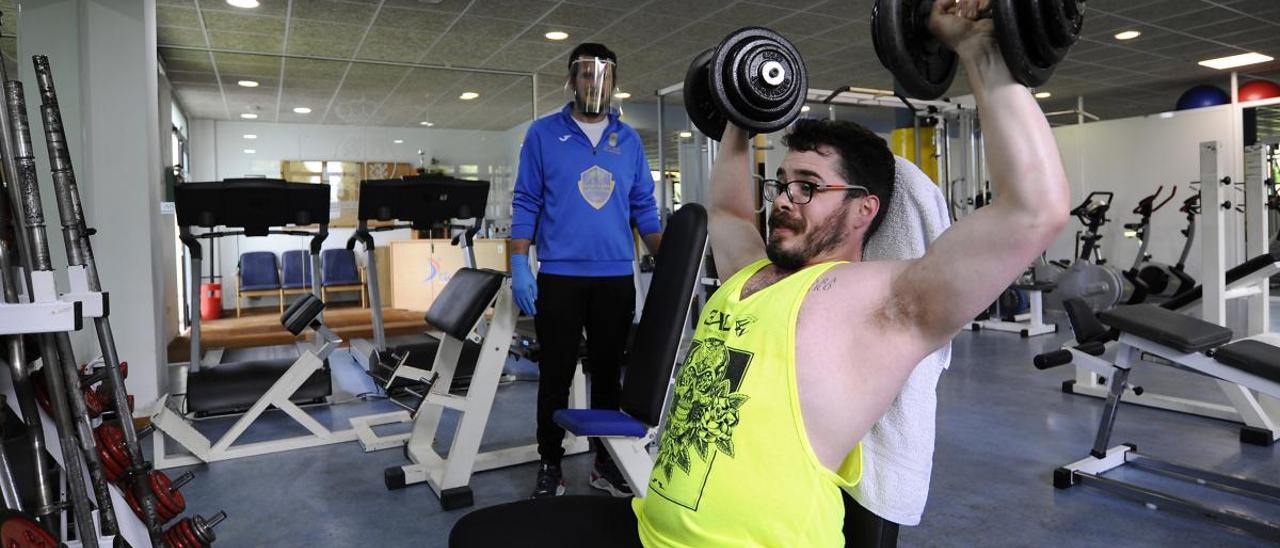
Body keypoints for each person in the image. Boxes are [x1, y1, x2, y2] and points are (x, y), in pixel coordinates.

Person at [453, 1, 1070, 544]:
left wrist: (980, 49)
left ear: (865, 209)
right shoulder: (750, 272)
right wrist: (740, 114)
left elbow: (1033, 212)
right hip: (652, 530)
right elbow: (725, 207)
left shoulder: (880, 305)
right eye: (780, 184)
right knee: (478, 534)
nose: (783, 198)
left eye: (808, 187)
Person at [509, 42, 663, 499]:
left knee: (608, 376)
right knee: (555, 375)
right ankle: (550, 464)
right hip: (560, 276)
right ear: (572, 79)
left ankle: (605, 462)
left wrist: (677, 257)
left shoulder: (629, 139)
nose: (594, 83)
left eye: (603, 76)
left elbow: (644, 210)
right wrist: (520, 262)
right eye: (585, 75)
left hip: (615, 277)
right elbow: (526, 202)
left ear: (613, 83)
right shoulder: (542, 134)